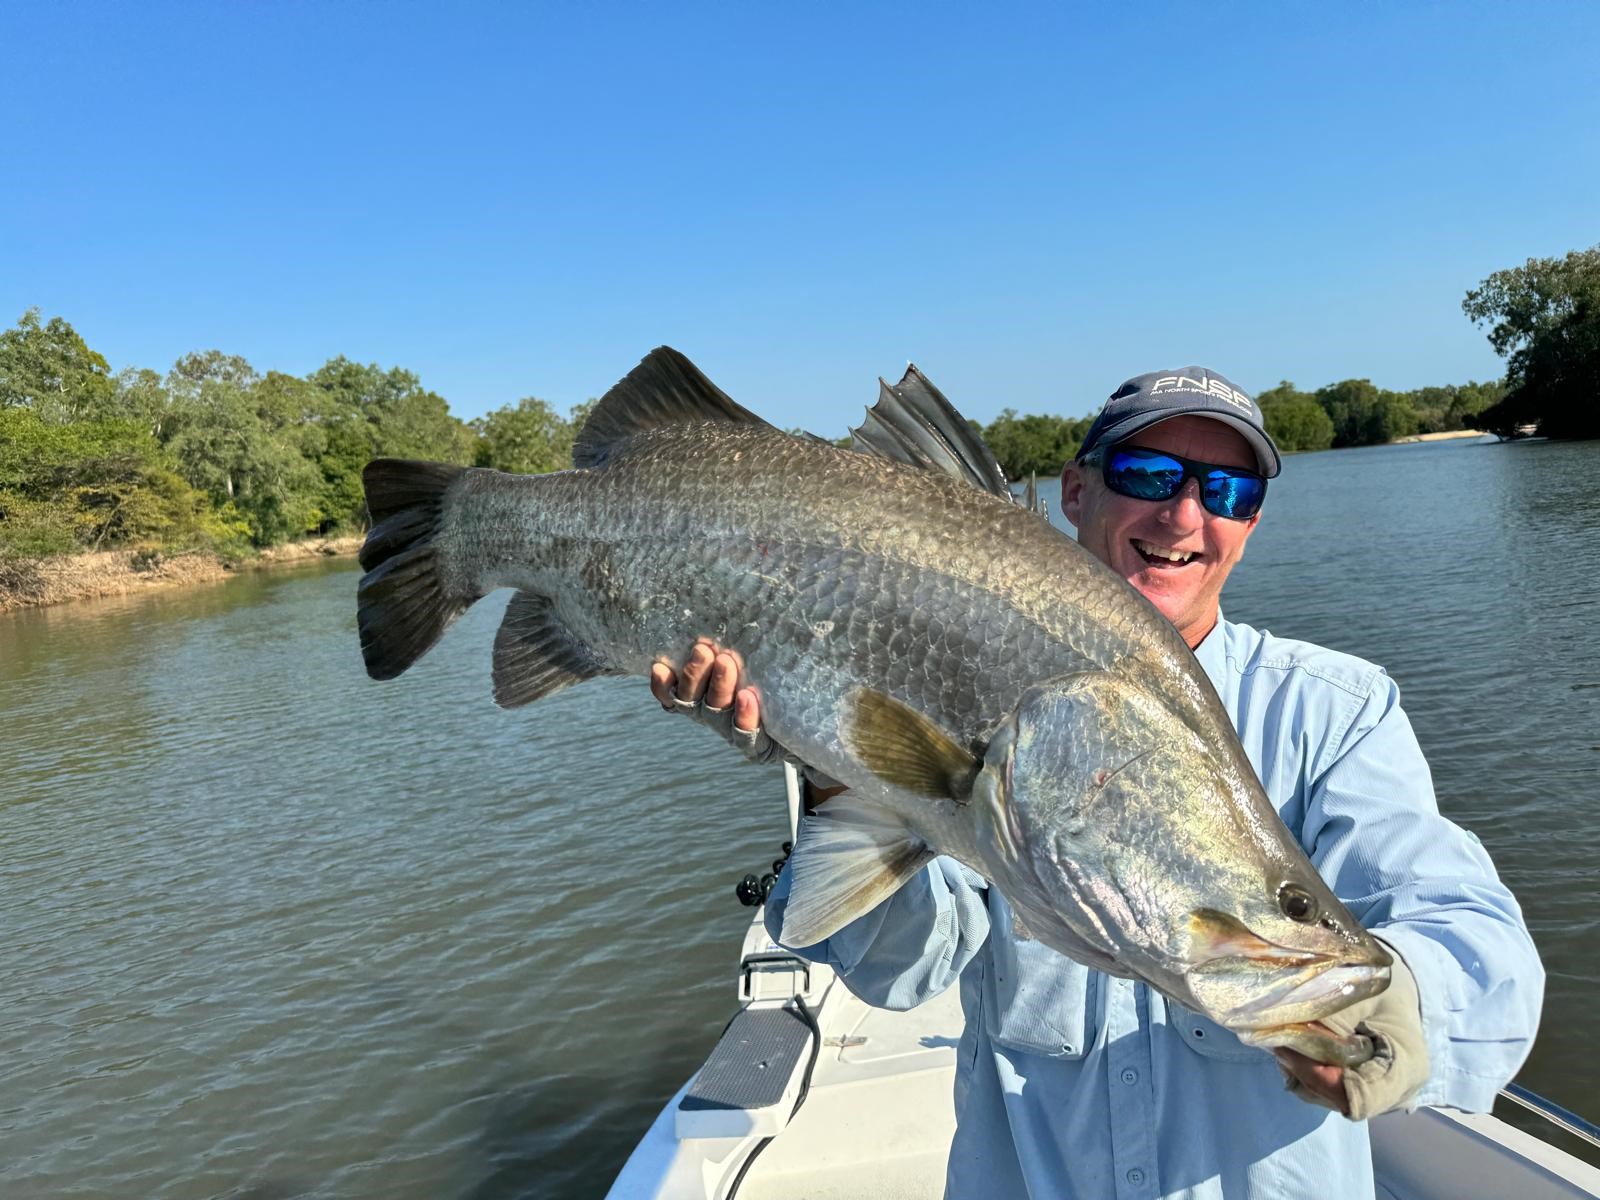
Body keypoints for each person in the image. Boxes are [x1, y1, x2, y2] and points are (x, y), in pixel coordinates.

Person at [648, 368, 1544, 1200]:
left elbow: (1476, 939)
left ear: (1251, 523)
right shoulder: (958, 668)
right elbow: (908, 972)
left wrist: (1394, 998)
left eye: (1228, 491)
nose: (1186, 516)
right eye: (1150, 473)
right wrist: (834, 770)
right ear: (1078, 492)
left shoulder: (1335, 711)